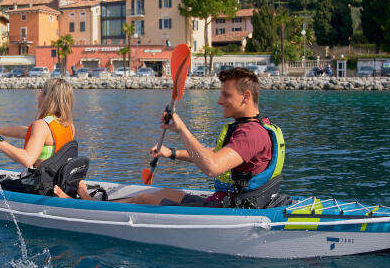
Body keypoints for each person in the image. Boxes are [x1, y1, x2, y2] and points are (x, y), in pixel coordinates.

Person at [58, 68, 284, 208]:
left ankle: (89, 207)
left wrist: (183, 128)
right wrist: (171, 153)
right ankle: (97, 206)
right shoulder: (253, 127)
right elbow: (213, 156)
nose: (220, 100)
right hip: (233, 202)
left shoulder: (250, 133)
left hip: (232, 210)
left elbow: (212, 167)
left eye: (226, 95)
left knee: (147, 199)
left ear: (246, 97)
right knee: (163, 193)